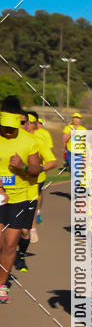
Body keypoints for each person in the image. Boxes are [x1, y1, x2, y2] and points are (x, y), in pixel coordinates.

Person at [0, 97, 41, 302]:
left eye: (11, 127)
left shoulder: (29, 141)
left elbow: (36, 170)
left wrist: (22, 166)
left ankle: (2, 285)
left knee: (10, 244)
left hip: (19, 199)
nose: (7, 131)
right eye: (4, 127)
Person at [16, 112, 57, 268]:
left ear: (31, 124)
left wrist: (36, 168)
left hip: (30, 190)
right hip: (9, 192)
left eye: (28, 122)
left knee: (24, 231)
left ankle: (20, 255)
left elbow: (52, 161)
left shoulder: (37, 141)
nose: (25, 125)